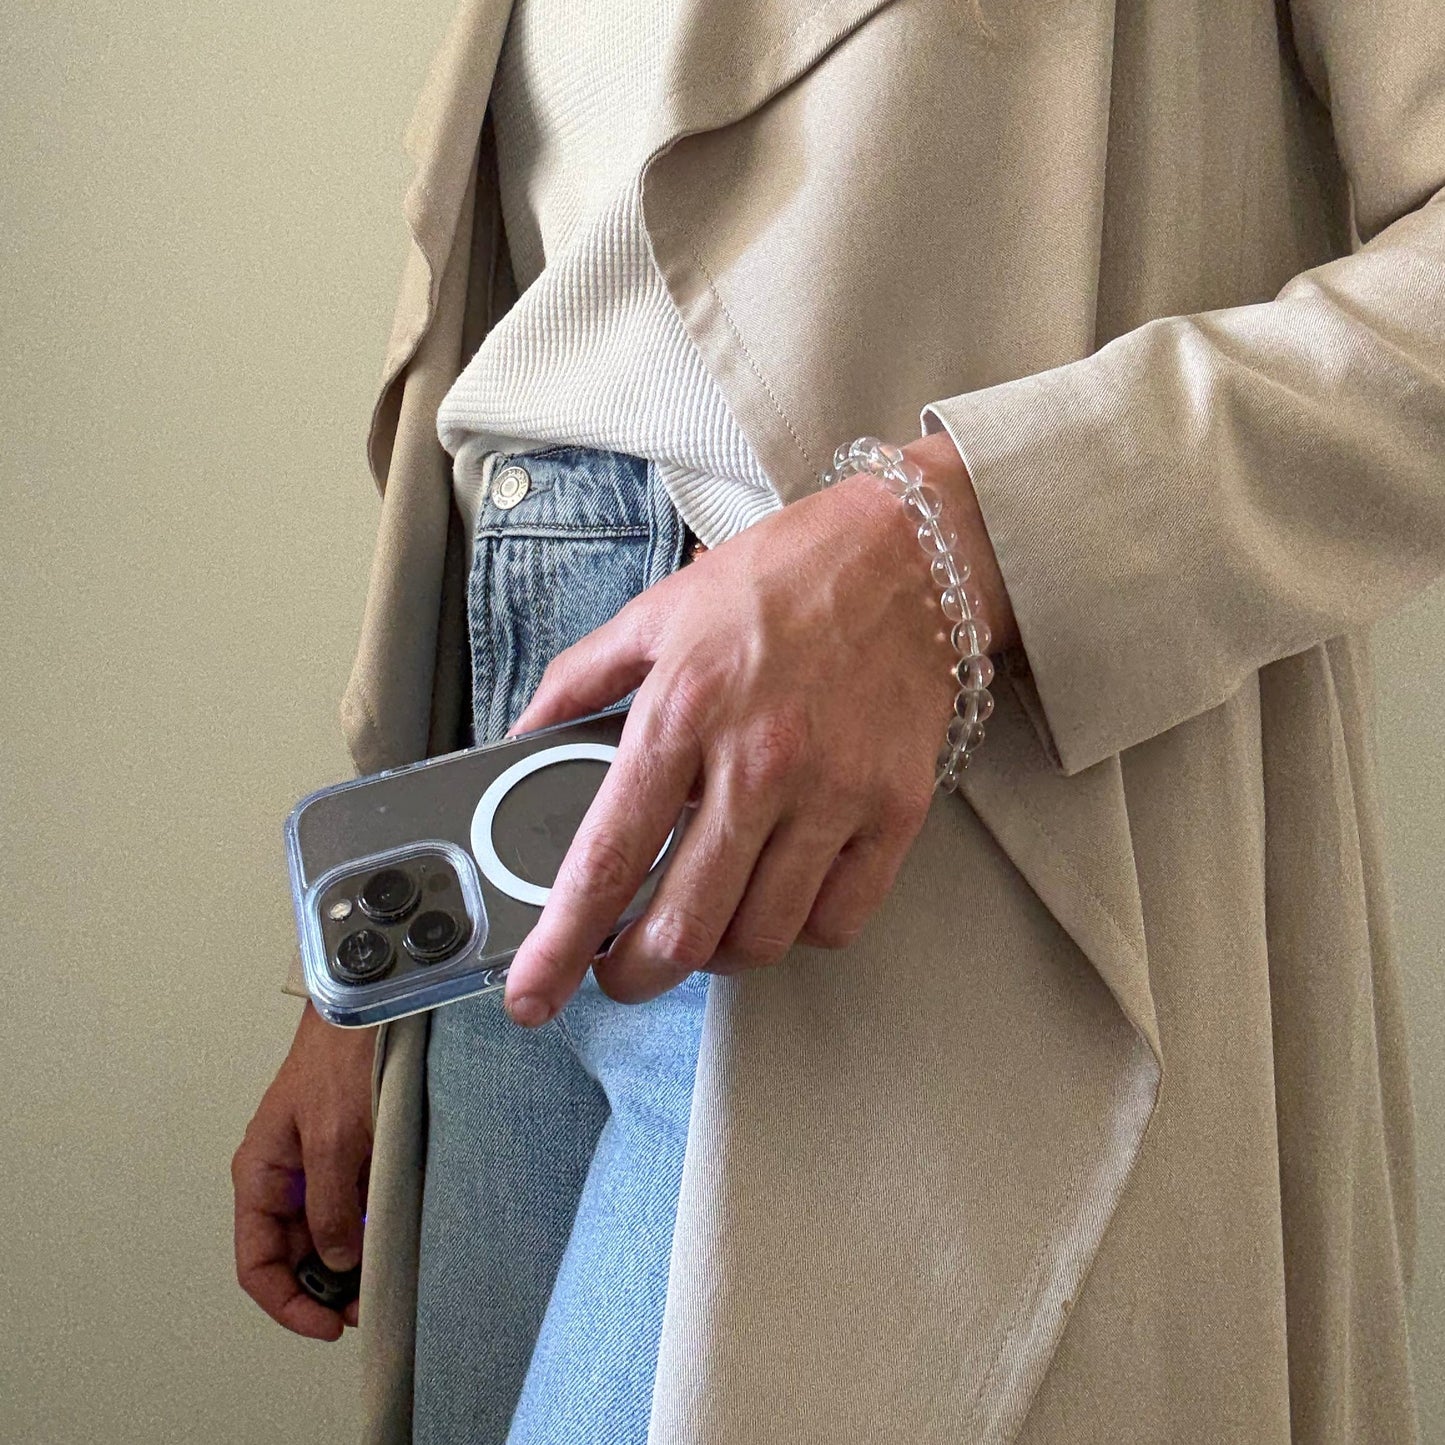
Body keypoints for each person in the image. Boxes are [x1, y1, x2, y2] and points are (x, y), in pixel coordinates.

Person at [233, 0, 1444, 1440]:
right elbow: (552, 315)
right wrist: (360, 973)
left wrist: (965, 538)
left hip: (931, 844)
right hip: (504, 873)